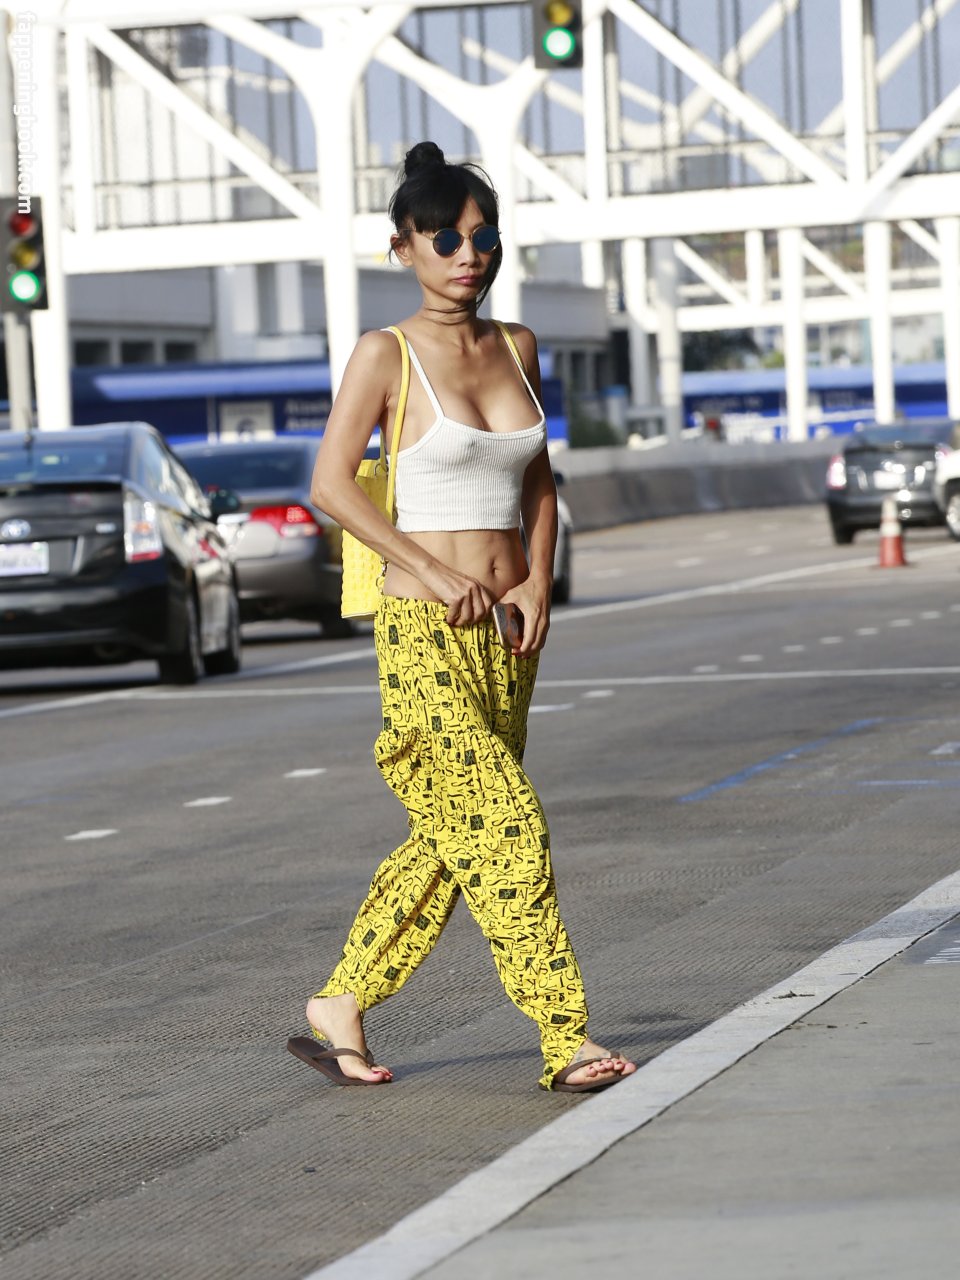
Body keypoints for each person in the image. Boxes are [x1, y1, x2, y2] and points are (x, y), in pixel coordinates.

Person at [287, 141, 636, 1094]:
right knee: (508, 825)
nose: (466, 255)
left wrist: (538, 580)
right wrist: (432, 572)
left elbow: (537, 482)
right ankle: (565, 1035)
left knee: (456, 834)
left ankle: (341, 1001)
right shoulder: (385, 353)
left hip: (509, 636)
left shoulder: (518, 345)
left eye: (482, 237)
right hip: (422, 634)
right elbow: (330, 486)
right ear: (403, 247)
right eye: (443, 239)